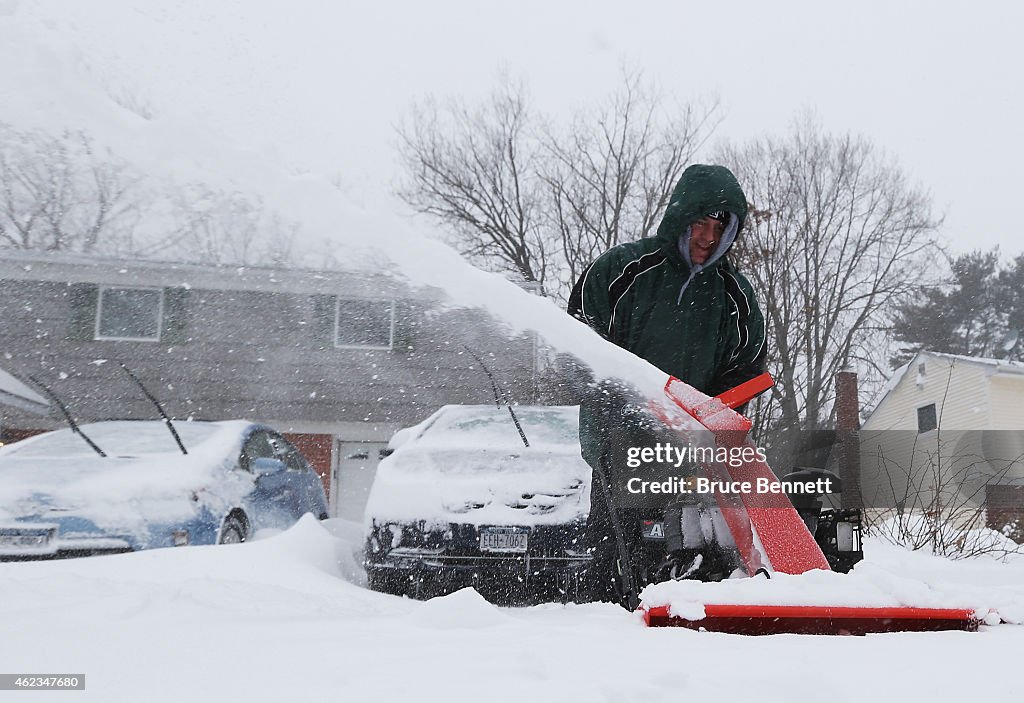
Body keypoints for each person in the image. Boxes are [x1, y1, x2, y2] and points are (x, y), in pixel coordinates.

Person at [566, 163, 767, 605]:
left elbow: (748, 367)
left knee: (697, 544)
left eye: (720, 228)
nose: (708, 238)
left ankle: (693, 630)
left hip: (699, 450)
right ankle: (605, 626)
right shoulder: (622, 271)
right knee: (615, 549)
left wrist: (714, 415)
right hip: (618, 440)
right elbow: (577, 348)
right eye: (700, 224)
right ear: (680, 218)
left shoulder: (735, 294)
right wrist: (617, 406)